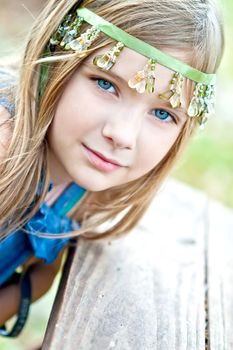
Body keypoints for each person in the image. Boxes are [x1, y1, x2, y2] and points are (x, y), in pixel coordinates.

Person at [0, 0, 224, 337]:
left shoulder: (84, 191)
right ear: (60, 55)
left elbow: (38, 280)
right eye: (106, 84)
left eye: (163, 113)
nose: (122, 135)